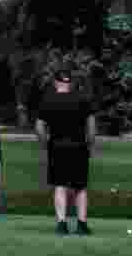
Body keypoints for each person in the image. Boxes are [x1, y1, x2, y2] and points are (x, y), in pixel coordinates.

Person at [35, 69, 96, 235]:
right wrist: (89, 145)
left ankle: (62, 223)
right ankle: (82, 224)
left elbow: (39, 127)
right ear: (70, 83)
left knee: (60, 185)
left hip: (57, 146)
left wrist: (45, 144)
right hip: (78, 146)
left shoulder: (48, 100)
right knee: (80, 187)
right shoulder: (83, 99)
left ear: (56, 83)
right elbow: (91, 128)